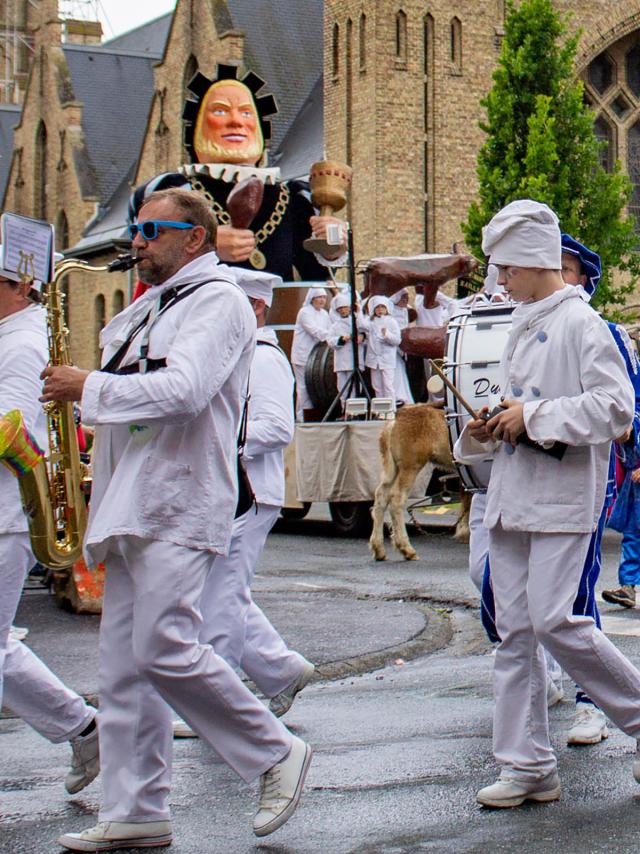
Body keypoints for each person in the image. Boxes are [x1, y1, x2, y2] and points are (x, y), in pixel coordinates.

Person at [44, 189, 312, 852]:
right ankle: (137, 808)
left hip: (180, 498)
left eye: (150, 230)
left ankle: (274, 750)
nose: (135, 241)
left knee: (164, 644)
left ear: (192, 239)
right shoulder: (148, 310)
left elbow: (185, 391)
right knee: (123, 666)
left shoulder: (218, 301)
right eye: (135, 229)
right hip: (132, 502)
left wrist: (89, 388)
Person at [455, 199, 640, 809]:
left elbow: (616, 409)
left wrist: (530, 415)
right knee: (513, 633)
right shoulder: (524, 319)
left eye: (505, 268)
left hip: (562, 500)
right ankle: (527, 764)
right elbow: (524, 405)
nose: (499, 280)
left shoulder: (584, 325)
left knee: (559, 621)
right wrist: (491, 425)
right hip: (513, 495)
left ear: (534, 261)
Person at [174, 270, 315, 740]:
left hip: (251, 491)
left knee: (221, 600)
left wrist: (220, 446)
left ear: (254, 309)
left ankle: (222, 702)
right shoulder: (240, 353)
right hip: (233, 489)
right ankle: (280, 669)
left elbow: (276, 427)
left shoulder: (263, 357)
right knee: (222, 592)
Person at [0, 264, 99, 797]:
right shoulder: (12, 336)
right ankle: (84, 729)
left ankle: (85, 730)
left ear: (19, 286)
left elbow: (10, 429)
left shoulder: (20, 345)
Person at [131, 66, 345, 291]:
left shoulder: (294, 196)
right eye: (221, 112)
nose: (236, 122)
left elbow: (315, 279)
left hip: (273, 321)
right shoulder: (171, 190)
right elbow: (145, 256)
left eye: (246, 113)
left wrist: (331, 247)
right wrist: (206, 246)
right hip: (198, 316)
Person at [291, 287, 331, 420]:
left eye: (324, 297)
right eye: (319, 297)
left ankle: (313, 415)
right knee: (303, 388)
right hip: (302, 356)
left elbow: (330, 329)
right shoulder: (304, 312)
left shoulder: (324, 314)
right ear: (312, 299)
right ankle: (301, 417)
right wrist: (334, 337)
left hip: (316, 359)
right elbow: (315, 331)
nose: (322, 300)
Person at [326, 291, 365, 406]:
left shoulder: (357, 321)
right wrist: (342, 339)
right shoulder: (335, 326)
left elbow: (365, 331)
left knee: (356, 385)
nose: (343, 310)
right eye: (340, 309)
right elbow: (330, 340)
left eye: (345, 308)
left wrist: (362, 336)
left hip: (355, 360)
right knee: (342, 386)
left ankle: (355, 410)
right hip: (342, 361)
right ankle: (345, 409)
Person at [363, 296, 401, 405]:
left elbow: (397, 340)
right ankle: (380, 408)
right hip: (374, 359)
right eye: (377, 307)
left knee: (388, 384)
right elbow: (361, 325)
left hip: (387, 359)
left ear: (387, 308)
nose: (380, 310)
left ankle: (390, 408)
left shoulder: (392, 322)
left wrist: (387, 335)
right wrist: (359, 309)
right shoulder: (371, 322)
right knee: (377, 385)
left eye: (382, 307)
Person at [389, 289, 414, 405]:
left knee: (401, 372)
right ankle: (397, 396)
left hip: (402, 347)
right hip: (392, 347)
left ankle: (403, 396)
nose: (405, 299)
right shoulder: (391, 310)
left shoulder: (405, 310)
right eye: (402, 297)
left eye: (406, 297)